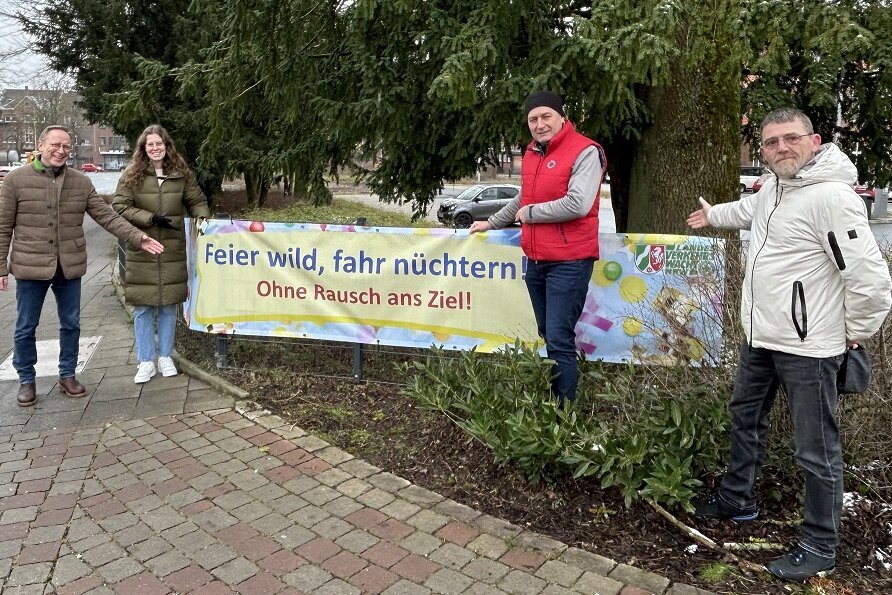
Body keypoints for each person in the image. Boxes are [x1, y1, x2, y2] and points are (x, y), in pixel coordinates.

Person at [686, 107, 892, 582]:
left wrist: (851, 333)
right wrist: (712, 214)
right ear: (762, 151)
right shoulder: (775, 188)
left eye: (790, 139)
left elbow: (870, 279)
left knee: (815, 449)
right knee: (745, 417)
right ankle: (738, 499)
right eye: (771, 142)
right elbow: (748, 211)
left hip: (810, 348)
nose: (781, 147)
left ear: (814, 141)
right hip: (762, 337)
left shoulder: (832, 199)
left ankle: (821, 543)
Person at [0, 125, 165, 407]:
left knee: (71, 324)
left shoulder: (80, 182)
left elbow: (107, 216)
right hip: (30, 265)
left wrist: (139, 237)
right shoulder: (15, 181)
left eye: (66, 146)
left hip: (70, 265)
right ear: (41, 145)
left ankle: (67, 375)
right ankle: (26, 379)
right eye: (55, 145)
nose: (61, 151)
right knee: (26, 326)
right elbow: (3, 227)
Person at [469, 90, 606, 403]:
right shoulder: (533, 152)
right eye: (533, 118)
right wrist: (491, 222)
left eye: (546, 116)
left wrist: (530, 214)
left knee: (558, 338)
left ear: (561, 116)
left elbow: (578, 204)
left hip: (569, 261)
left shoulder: (586, 151)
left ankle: (562, 417)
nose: (540, 124)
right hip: (536, 260)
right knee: (549, 334)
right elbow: (523, 198)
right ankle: (555, 403)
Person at [112, 124, 210, 384]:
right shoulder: (131, 175)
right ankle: (146, 361)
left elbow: (196, 201)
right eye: (150, 144)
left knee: (168, 305)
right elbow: (119, 206)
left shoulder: (181, 174)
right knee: (143, 307)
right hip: (142, 247)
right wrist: (148, 218)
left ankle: (165, 356)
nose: (155, 148)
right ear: (143, 148)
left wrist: (203, 219)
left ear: (167, 146)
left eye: (159, 144)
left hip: (172, 248)